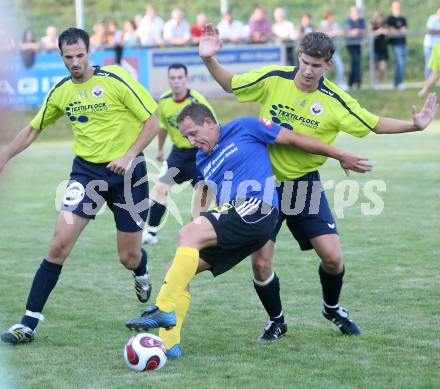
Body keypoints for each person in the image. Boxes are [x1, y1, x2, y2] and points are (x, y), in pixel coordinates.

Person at [199, 26, 438, 340]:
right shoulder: (274, 79)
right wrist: (208, 58)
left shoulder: (335, 100)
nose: (308, 70)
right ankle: (277, 321)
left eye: (316, 64)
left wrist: (414, 125)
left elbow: (375, 123)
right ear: (298, 56)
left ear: (328, 64)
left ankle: (332, 307)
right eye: (305, 62)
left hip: (303, 185)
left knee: (333, 257)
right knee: (260, 263)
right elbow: (230, 84)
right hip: (263, 186)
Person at [126, 102, 372, 357]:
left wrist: (339, 154)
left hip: (258, 207)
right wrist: (197, 225)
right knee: (176, 269)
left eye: (193, 133)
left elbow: (295, 139)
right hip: (235, 217)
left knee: (187, 235)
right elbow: (206, 192)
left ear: (209, 122)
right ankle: (169, 345)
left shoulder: (245, 127)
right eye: (186, 137)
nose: (191, 141)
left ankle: (163, 307)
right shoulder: (202, 157)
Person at [0, 28, 160, 344]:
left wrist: (129, 155)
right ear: (61, 56)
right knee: (59, 243)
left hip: (129, 174)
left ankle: (140, 271)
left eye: (80, 55)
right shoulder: (61, 91)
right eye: (68, 57)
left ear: (90, 52)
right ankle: (28, 323)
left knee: (128, 256)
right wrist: (4, 156)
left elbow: (153, 120)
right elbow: (33, 129)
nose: (75, 62)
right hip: (87, 175)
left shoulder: (114, 79)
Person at [142, 63, 216, 245]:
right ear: (169, 80)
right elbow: (163, 127)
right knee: (160, 188)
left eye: (179, 78)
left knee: (203, 197)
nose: (176, 82)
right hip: (178, 156)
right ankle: (151, 233)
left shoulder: (197, 101)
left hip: (199, 155)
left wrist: (211, 154)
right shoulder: (164, 101)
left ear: (186, 79)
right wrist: (160, 149)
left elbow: (213, 127)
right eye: (172, 78)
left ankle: (196, 236)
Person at [386, 1, 407, 90]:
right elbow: (390, 30)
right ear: (392, 8)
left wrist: (397, 31)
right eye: (395, 7)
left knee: (402, 64)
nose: (397, 9)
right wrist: (399, 31)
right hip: (395, 45)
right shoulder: (390, 18)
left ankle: (398, 82)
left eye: (398, 7)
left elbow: (405, 31)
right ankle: (398, 83)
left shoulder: (403, 19)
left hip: (403, 44)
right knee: (400, 63)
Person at [344, 7, 366, 89]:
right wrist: (356, 32)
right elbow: (348, 33)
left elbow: (364, 31)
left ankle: (351, 83)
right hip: (350, 44)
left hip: (358, 44)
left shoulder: (361, 20)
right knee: (356, 60)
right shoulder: (348, 20)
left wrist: (357, 31)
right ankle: (357, 83)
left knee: (355, 63)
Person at [370, 12, 389, 84]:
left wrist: (383, 31)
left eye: (381, 18)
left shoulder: (385, 25)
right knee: (376, 68)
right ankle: (376, 82)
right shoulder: (373, 25)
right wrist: (378, 32)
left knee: (383, 68)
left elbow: (388, 31)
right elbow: (369, 33)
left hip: (383, 49)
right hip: (375, 48)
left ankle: (380, 81)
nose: (379, 20)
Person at [423, 8, 440, 79]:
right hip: (429, 45)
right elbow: (429, 30)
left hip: (438, 46)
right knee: (429, 64)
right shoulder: (432, 18)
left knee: (437, 66)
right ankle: (427, 80)